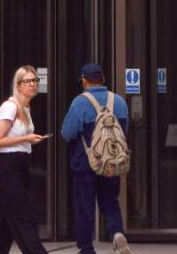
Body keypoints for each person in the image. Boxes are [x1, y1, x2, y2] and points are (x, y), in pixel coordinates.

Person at [60, 63, 131, 254]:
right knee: (109, 201)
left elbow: (68, 133)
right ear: (104, 79)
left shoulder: (80, 102)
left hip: (85, 164)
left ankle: (86, 248)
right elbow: (123, 132)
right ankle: (116, 232)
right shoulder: (119, 101)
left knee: (85, 206)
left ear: (84, 80)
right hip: (111, 163)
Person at [0, 65, 50, 254]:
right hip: (8, 166)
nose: (33, 85)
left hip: (21, 164)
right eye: (27, 81)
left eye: (35, 81)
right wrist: (26, 138)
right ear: (18, 85)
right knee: (24, 218)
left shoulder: (25, 108)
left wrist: (29, 140)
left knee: (3, 219)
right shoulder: (9, 107)